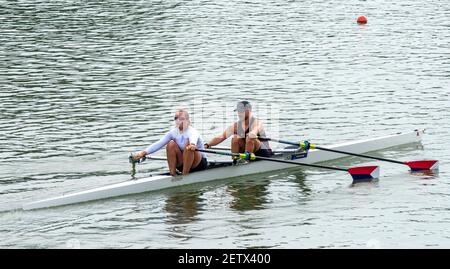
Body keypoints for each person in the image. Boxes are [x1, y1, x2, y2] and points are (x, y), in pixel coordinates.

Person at [131, 109, 208, 176]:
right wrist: (143, 153)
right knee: (170, 144)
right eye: (176, 118)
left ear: (187, 121)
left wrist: (193, 144)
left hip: (198, 164)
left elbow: (193, 138)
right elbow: (159, 144)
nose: (178, 120)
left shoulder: (192, 131)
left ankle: (185, 175)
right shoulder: (173, 132)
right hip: (183, 162)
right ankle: (173, 174)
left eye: (181, 118)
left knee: (188, 146)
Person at [204, 101, 272, 160]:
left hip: (262, 152)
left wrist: (253, 133)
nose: (239, 114)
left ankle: (246, 158)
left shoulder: (256, 122)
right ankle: (236, 160)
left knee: (250, 137)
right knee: (235, 138)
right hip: (247, 153)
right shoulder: (236, 126)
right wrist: (207, 144)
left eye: (242, 111)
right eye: (238, 111)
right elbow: (221, 137)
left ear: (249, 110)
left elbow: (256, 129)